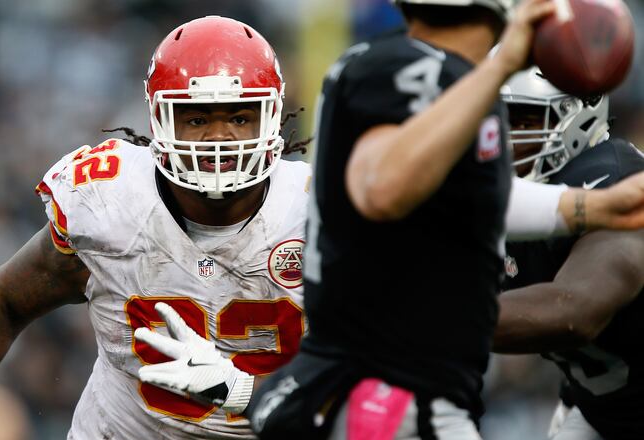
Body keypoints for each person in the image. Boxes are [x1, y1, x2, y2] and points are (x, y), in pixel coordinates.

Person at [129, 0, 644, 439]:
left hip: (361, 376)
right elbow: (384, 188)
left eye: (525, 119)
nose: (510, 133)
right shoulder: (413, 73)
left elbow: (489, 210)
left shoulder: (424, 79)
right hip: (398, 387)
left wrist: (588, 207)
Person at [0, 16, 312, 440]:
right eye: (197, 118)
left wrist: (240, 389)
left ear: (272, 118)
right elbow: (5, 302)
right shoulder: (110, 202)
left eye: (241, 118)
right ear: (159, 120)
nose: (219, 137)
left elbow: (363, 371)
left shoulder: (315, 214)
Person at [494, 67, 644, 440]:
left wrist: (428, 321)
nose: (505, 140)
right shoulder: (508, 196)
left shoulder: (616, 183)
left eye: (523, 121)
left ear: (575, 118)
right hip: (601, 408)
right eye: (495, 123)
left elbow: (574, 310)